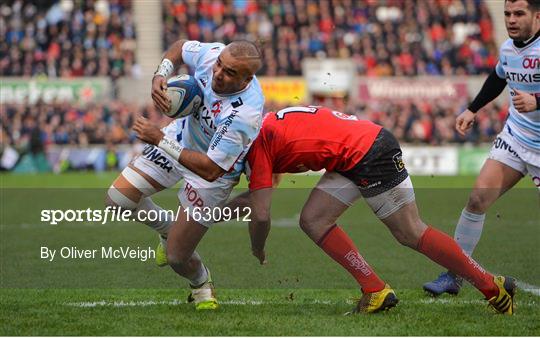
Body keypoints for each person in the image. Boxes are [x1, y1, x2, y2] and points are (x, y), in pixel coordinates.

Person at [231, 105, 516, 315]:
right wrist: (213, 211)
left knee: (410, 232)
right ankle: (375, 290)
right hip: (356, 151)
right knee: (314, 219)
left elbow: (261, 213)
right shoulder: (263, 127)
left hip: (368, 153)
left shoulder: (256, 144)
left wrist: (257, 247)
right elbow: (265, 190)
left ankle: (492, 286)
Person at [107, 39, 264, 310]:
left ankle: (201, 282)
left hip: (212, 173)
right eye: (219, 65)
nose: (217, 73)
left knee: (177, 258)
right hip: (180, 137)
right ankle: (168, 230)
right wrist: (160, 74)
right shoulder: (214, 55)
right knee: (117, 200)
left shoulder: (244, 113)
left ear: (247, 79)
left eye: (228, 72)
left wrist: (158, 139)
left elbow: (212, 170)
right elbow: (180, 47)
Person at [423, 0, 540, 297]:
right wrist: (472, 109)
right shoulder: (508, 49)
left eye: (519, 14)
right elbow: (498, 78)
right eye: (507, 14)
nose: (511, 20)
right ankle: (456, 273)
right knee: (477, 198)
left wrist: (537, 101)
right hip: (516, 137)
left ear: (537, 15)